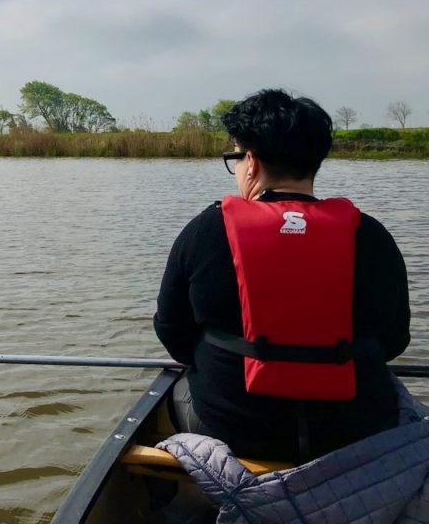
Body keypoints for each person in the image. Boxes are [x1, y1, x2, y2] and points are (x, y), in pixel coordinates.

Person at [153, 88, 410, 462]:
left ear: (252, 162)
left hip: (235, 432)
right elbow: (395, 340)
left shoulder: (204, 232)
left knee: (176, 384)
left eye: (235, 158)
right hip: (353, 431)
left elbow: (172, 332)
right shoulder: (372, 235)